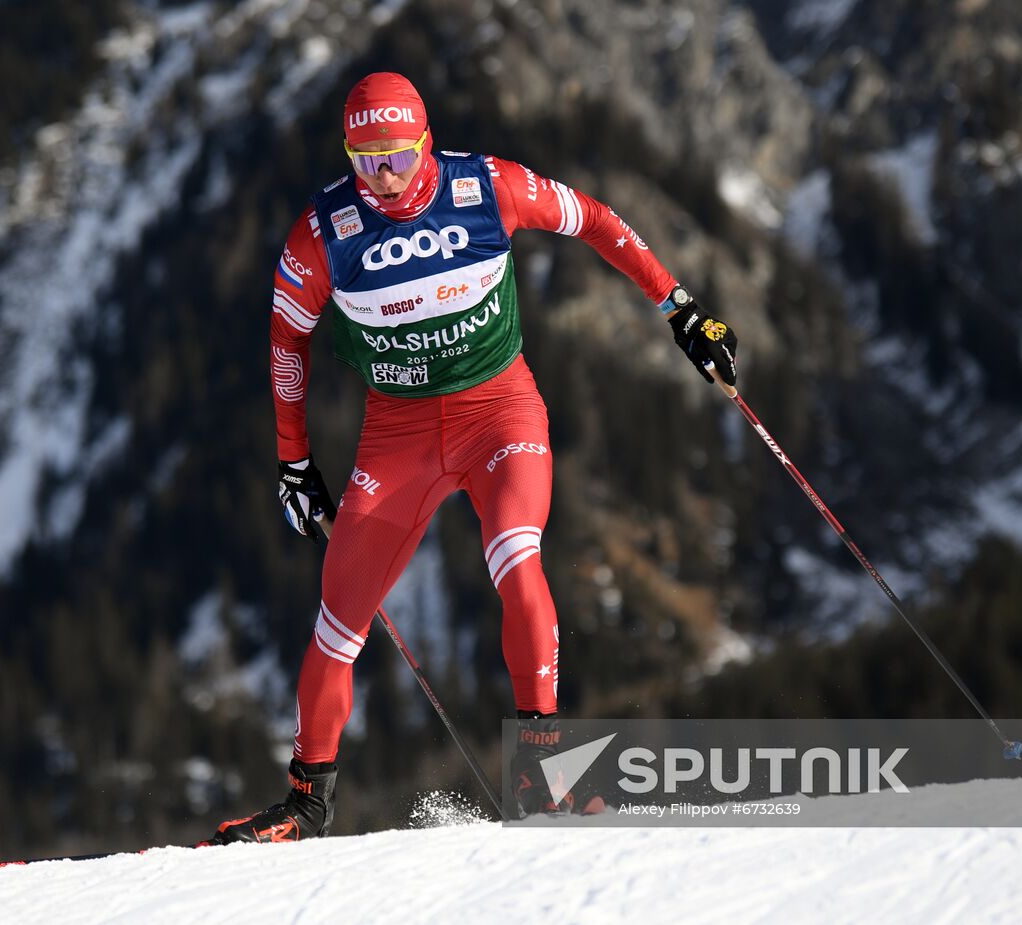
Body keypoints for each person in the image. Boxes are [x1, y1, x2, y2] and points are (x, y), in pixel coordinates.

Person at [213, 72, 738, 843]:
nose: (381, 178)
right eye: (364, 160)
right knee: (338, 620)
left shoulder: (486, 186)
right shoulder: (325, 232)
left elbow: (593, 219)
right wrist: (294, 461)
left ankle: (546, 776)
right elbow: (285, 337)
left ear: (425, 143)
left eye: (395, 157)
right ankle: (306, 804)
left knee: (516, 558)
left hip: (500, 412)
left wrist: (679, 308)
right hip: (397, 437)